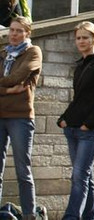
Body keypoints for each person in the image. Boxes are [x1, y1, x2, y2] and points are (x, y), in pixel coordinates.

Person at [58, 21, 94, 220]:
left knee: (79, 176)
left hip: (90, 131)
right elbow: (79, 99)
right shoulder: (80, 66)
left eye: (85, 37)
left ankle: (71, 216)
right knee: (86, 177)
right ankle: (92, 217)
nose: (81, 41)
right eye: (78, 38)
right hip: (73, 128)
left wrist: (90, 123)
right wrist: (64, 119)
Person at [0, 16, 42, 220]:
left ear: (27, 33)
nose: (14, 34)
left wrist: (4, 83)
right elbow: (13, 83)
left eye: (19, 31)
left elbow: (19, 76)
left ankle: (28, 215)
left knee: (22, 170)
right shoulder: (3, 53)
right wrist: (8, 90)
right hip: (0, 115)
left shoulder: (33, 52)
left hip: (20, 117)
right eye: (12, 30)